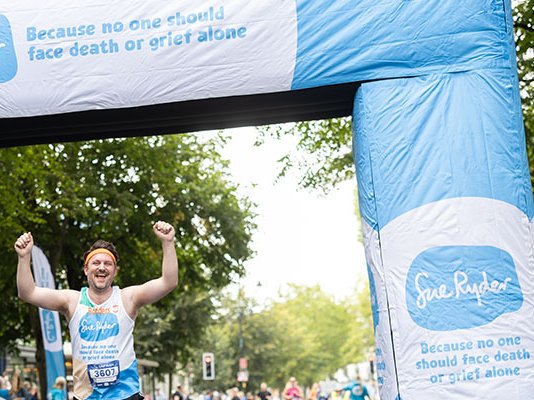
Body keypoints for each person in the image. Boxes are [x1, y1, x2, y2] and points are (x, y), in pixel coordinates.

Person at [15, 221, 179, 400]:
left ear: (114, 271)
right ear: (86, 269)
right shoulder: (72, 300)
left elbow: (168, 282)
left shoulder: (128, 298)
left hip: (125, 395)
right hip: (86, 396)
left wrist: (168, 242)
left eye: (108, 264)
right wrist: (24, 257)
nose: (102, 267)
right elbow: (28, 292)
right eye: (96, 263)